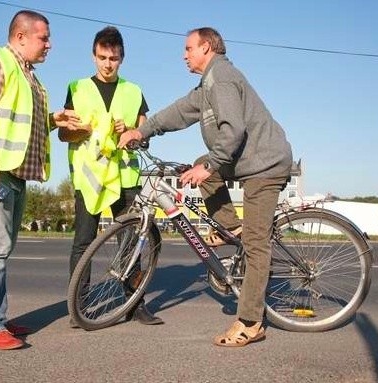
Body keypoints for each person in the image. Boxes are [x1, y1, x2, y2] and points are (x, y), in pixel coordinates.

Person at [118, 27, 293, 347]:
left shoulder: (222, 78)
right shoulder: (209, 83)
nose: (184, 55)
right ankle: (231, 229)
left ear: (207, 48)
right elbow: (180, 111)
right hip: (250, 161)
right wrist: (142, 132)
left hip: (264, 166)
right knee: (199, 163)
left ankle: (251, 322)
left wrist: (210, 165)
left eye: (188, 49)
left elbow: (233, 130)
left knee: (256, 243)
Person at [0, 10, 70, 350]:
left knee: (0, 248)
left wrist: (54, 119)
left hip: (13, 172)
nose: (49, 44)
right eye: (44, 37)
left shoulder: (29, 76)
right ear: (20, 36)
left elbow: (20, 124)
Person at [58, 26, 163, 326]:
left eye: (113, 58)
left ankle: (134, 303)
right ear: (93, 56)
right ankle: (79, 306)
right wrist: (86, 129)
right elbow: (64, 134)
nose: (107, 64)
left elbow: (145, 138)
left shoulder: (134, 92)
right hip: (89, 177)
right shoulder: (77, 88)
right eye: (102, 57)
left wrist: (131, 135)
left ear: (122, 58)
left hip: (124, 176)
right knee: (84, 241)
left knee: (131, 240)